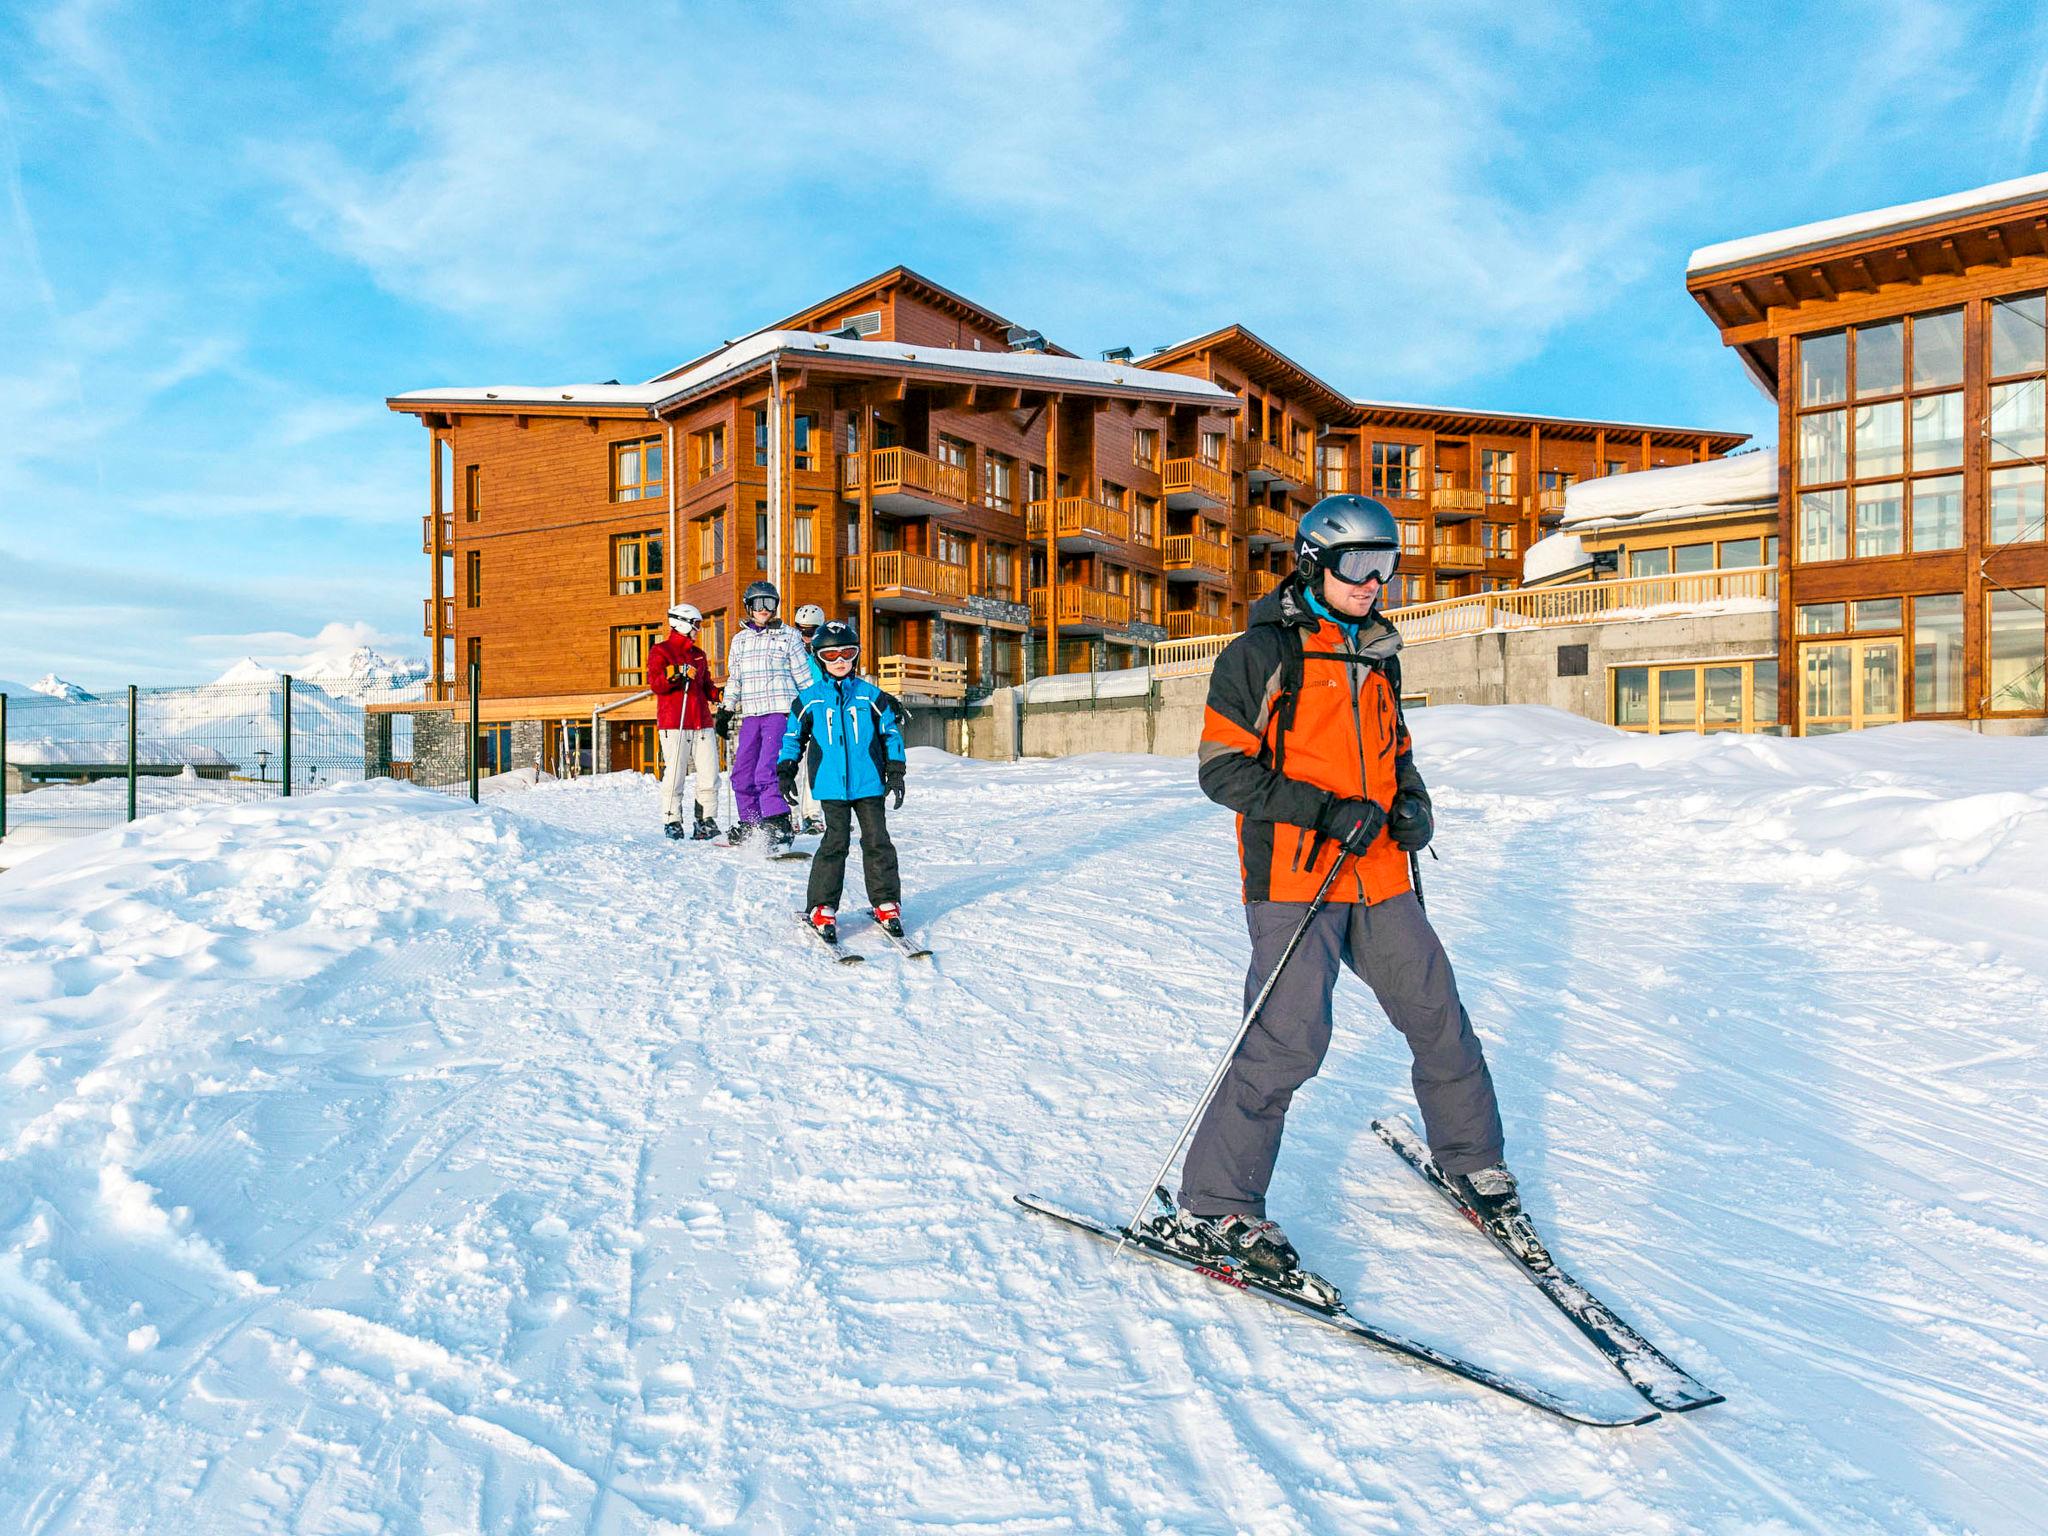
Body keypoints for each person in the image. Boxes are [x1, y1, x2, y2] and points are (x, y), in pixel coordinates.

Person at [1172, 493, 1542, 1282]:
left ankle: (1472, 1161)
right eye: (1357, 566)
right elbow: (1222, 770)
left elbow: (1394, 750)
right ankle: (1216, 1206)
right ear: (1313, 564)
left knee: (1437, 1013)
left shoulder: (1379, 652)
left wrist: (1412, 803)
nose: (1374, 583)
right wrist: (1325, 810)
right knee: (1287, 1040)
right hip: (1296, 875)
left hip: (1377, 870)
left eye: (1386, 567)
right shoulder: (1261, 652)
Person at [775, 619, 907, 945]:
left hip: (869, 783)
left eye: (847, 653)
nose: (840, 661)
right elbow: (793, 738)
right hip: (832, 785)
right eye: (831, 655)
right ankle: (822, 906)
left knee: (877, 840)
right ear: (819, 658)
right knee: (835, 842)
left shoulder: (872, 696)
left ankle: (885, 902)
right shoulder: (809, 699)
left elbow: (891, 735)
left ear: (856, 655)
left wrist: (896, 772)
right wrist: (786, 770)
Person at [715, 580, 815, 848]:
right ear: (749, 607)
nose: (763, 609)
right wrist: (726, 710)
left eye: (769, 603)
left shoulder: (789, 636)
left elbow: (804, 679)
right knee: (741, 773)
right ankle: (751, 824)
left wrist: (812, 710)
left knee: (766, 771)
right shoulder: (740, 640)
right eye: (758, 604)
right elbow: (735, 680)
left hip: (780, 713)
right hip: (751, 715)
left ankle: (779, 824)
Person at [646, 602, 723, 840]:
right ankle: (672, 820)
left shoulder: (699, 655)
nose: (698, 629)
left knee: (710, 774)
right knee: (676, 774)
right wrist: (677, 672)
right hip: (674, 723)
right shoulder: (661, 651)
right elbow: (656, 684)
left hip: (702, 721)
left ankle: (705, 820)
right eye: (696, 625)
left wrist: (719, 695)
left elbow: (706, 685)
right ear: (681, 623)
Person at [788, 603, 829, 835]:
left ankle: (812, 815)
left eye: (811, 631)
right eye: (801, 630)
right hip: (796, 712)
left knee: (814, 765)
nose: (806, 636)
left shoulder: (824, 654)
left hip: (819, 714)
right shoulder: (792, 651)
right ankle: (791, 814)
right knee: (793, 764)